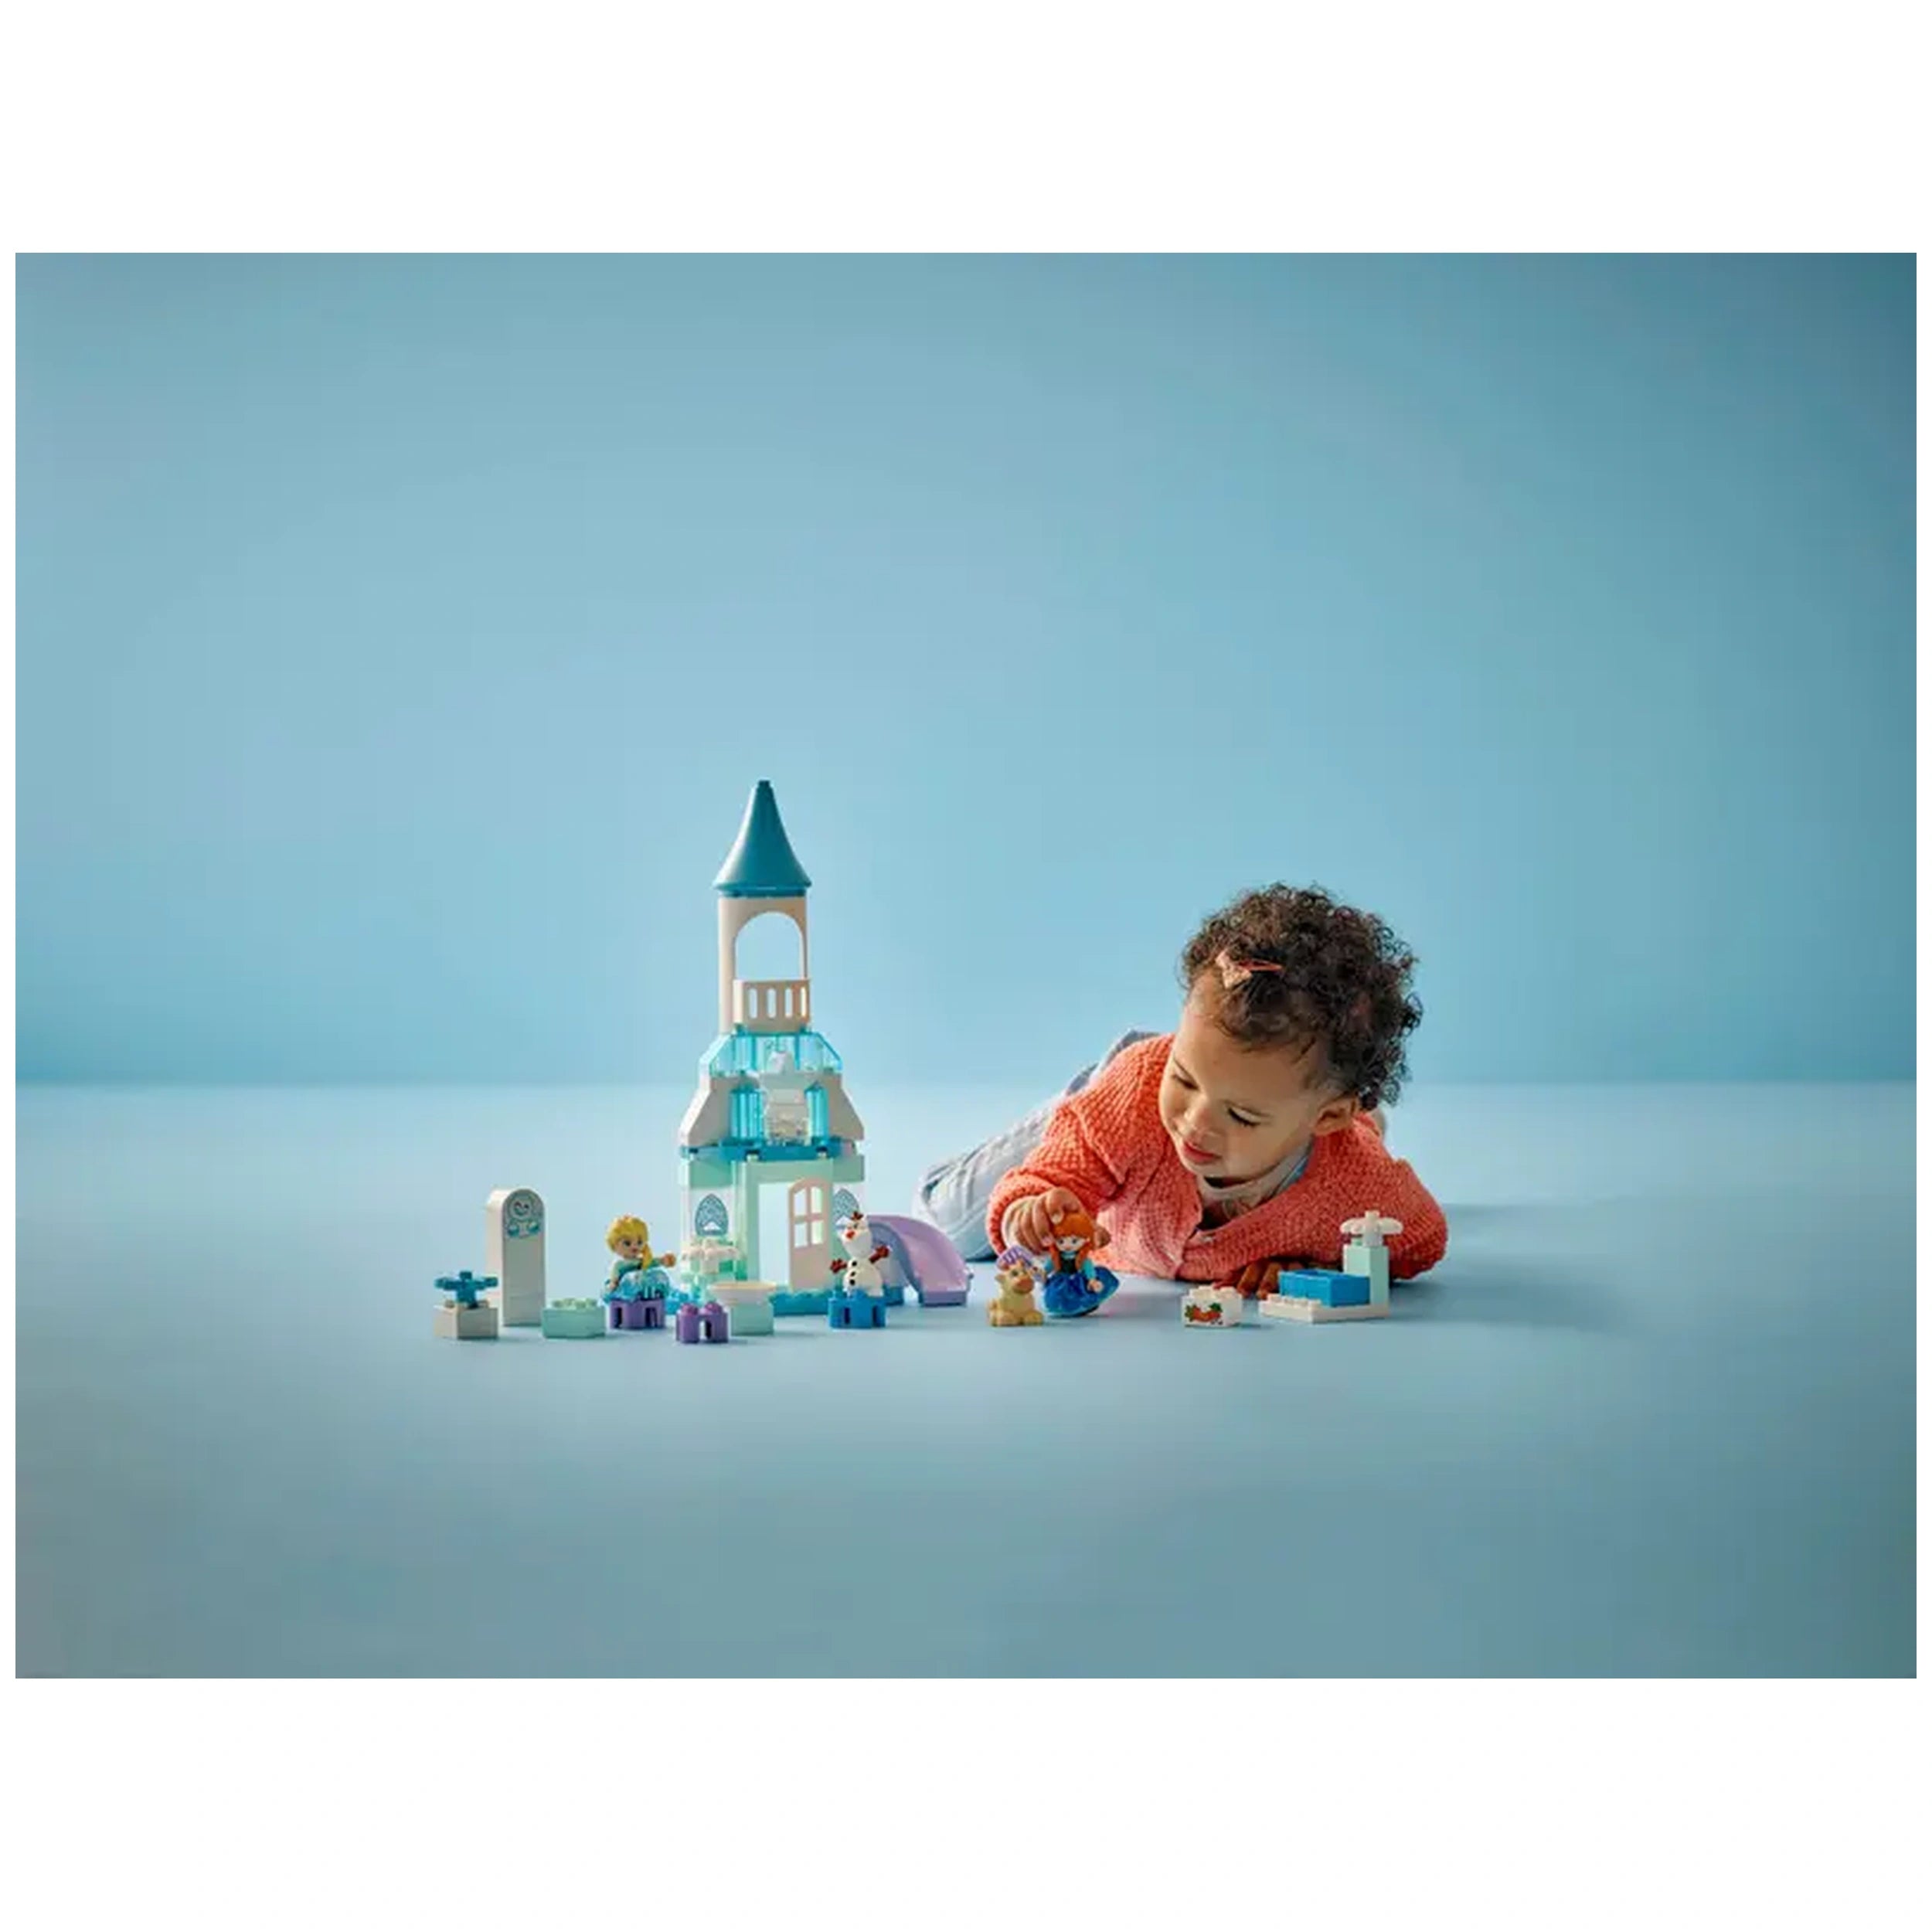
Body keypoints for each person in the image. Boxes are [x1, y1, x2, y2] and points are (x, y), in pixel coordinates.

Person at [913, 885, 1447, 1294]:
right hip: (1124, 1099)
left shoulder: (1357, 1185)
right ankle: (1099, 1091)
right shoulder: (1138, 1102)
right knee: (947, 1224)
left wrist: (1321, 1267)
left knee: (1299, 1116)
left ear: (1328, 1117)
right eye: (1188, 1082)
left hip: (1276, 1111)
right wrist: (1032, 1210)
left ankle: (1348, 1121)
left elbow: (1421, 1242)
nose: (1195, 1122)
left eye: (1241, 1115)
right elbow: (1050, 1180)